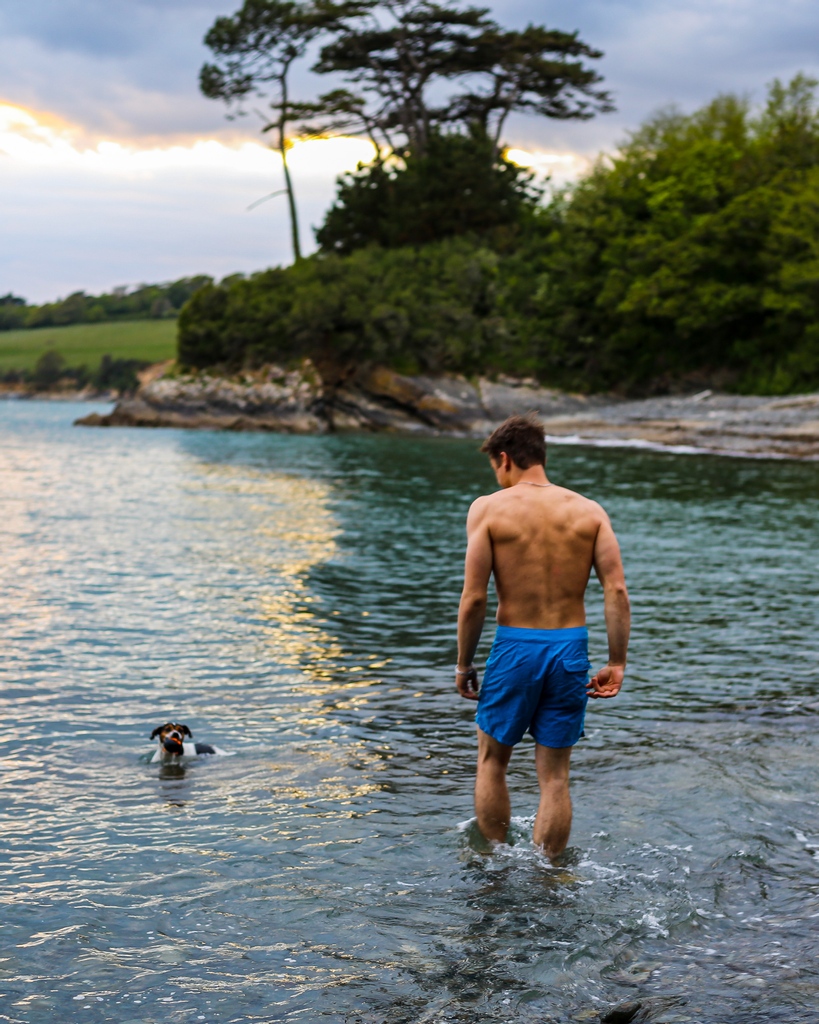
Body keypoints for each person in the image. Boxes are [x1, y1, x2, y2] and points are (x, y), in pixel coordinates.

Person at [456, 414, 630, 860]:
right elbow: (616, 590)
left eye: (496, 468)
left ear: (505, 458)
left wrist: (464, 663)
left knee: (493, 759)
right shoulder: (589, 512)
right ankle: (551, 875)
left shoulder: (489, 509)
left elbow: (474, 598)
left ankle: (494, 869)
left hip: (516, 646)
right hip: (570, 648)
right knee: (555, 775)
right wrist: (617, 661)